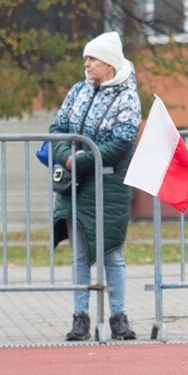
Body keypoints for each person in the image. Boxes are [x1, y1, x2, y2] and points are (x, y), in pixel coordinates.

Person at [50, 31, 142, 342]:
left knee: (111, 252)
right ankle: (80, 317)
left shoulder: (127, 97)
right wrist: (66, 158)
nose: (86, 64)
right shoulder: (78, 91)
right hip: (74, 185)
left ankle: (118, 316)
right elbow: (58, 128)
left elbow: (122, 142)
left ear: (110, 63)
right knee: (79, 254)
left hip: (109, 186)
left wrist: (82, 159)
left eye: (92, 59)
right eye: (86, 58)